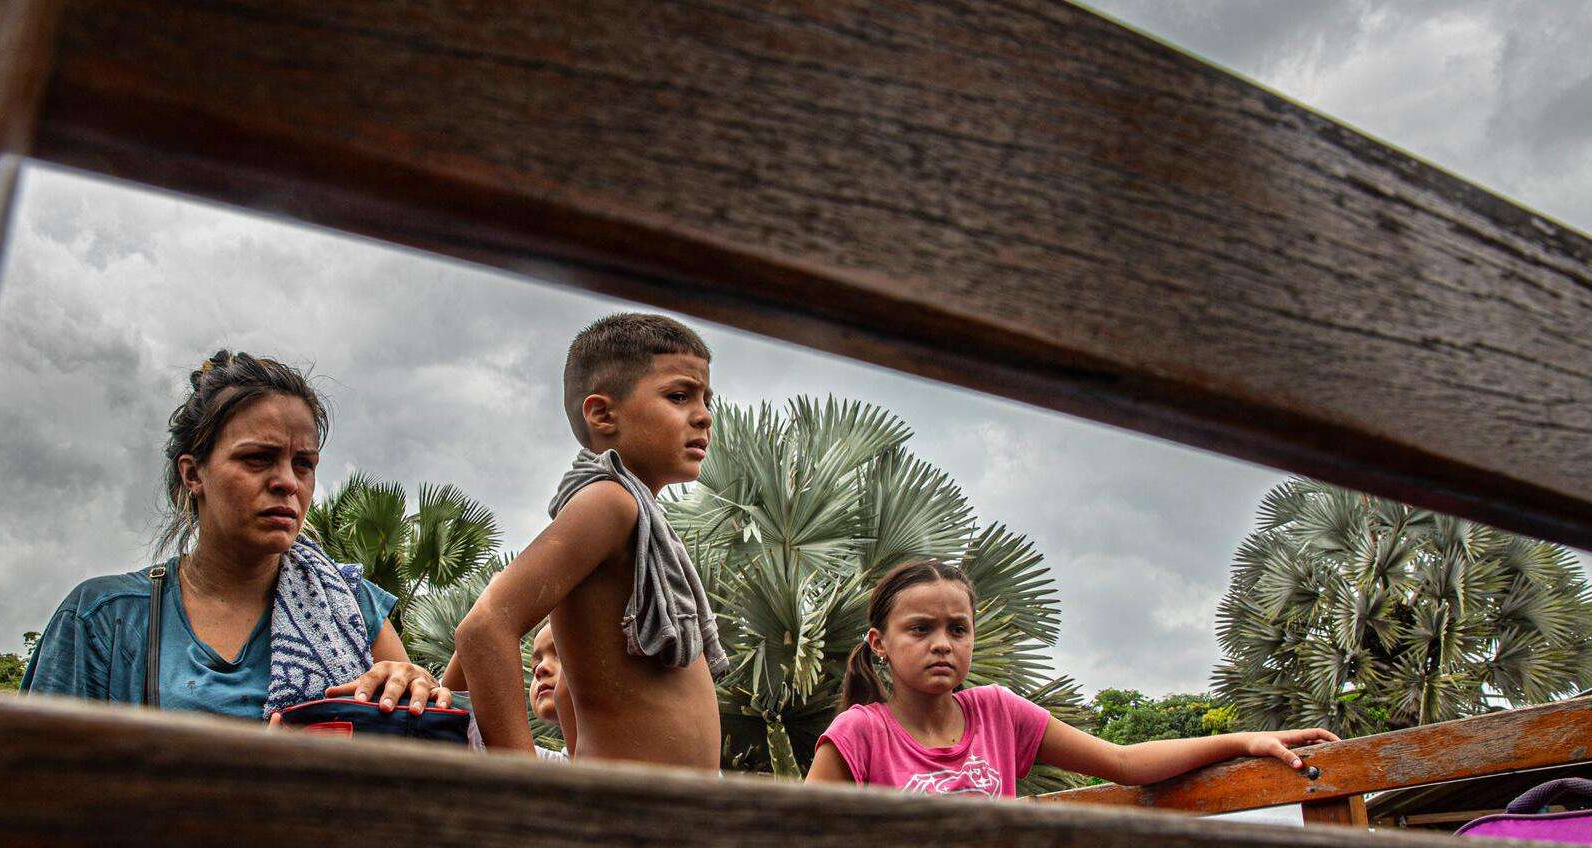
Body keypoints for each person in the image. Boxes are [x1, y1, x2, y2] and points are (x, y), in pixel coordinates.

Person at [21, 351, 447, 719]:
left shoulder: (354, 609)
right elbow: (37, 785)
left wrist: (410, 685)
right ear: (193, 474)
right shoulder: (105, 619)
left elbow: (410, 753)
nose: (287, 482)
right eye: (258, 459)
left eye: (304, 464)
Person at [806, 559, 1340, 797]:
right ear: (879, 643)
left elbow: (1124, 762)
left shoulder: (998, 712)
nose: (942, 643)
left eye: (958, 628)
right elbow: (803, 842)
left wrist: (1243, 740)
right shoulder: (859, 735)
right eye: (920, 629)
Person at [454, 313, 727, 768]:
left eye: (706, 399)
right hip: (626, 817)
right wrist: (525, 787)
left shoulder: (638, 516)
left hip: (667, 814)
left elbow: (578, 688)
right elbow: (484, 628)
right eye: (679, 396)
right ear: (602, 414)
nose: (703, 416)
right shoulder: (609, 501)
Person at [446, 622, 573, 761]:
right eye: (535, 665)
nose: (539, 669)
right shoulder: (546, 765)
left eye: (562, 655)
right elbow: (456, 708)